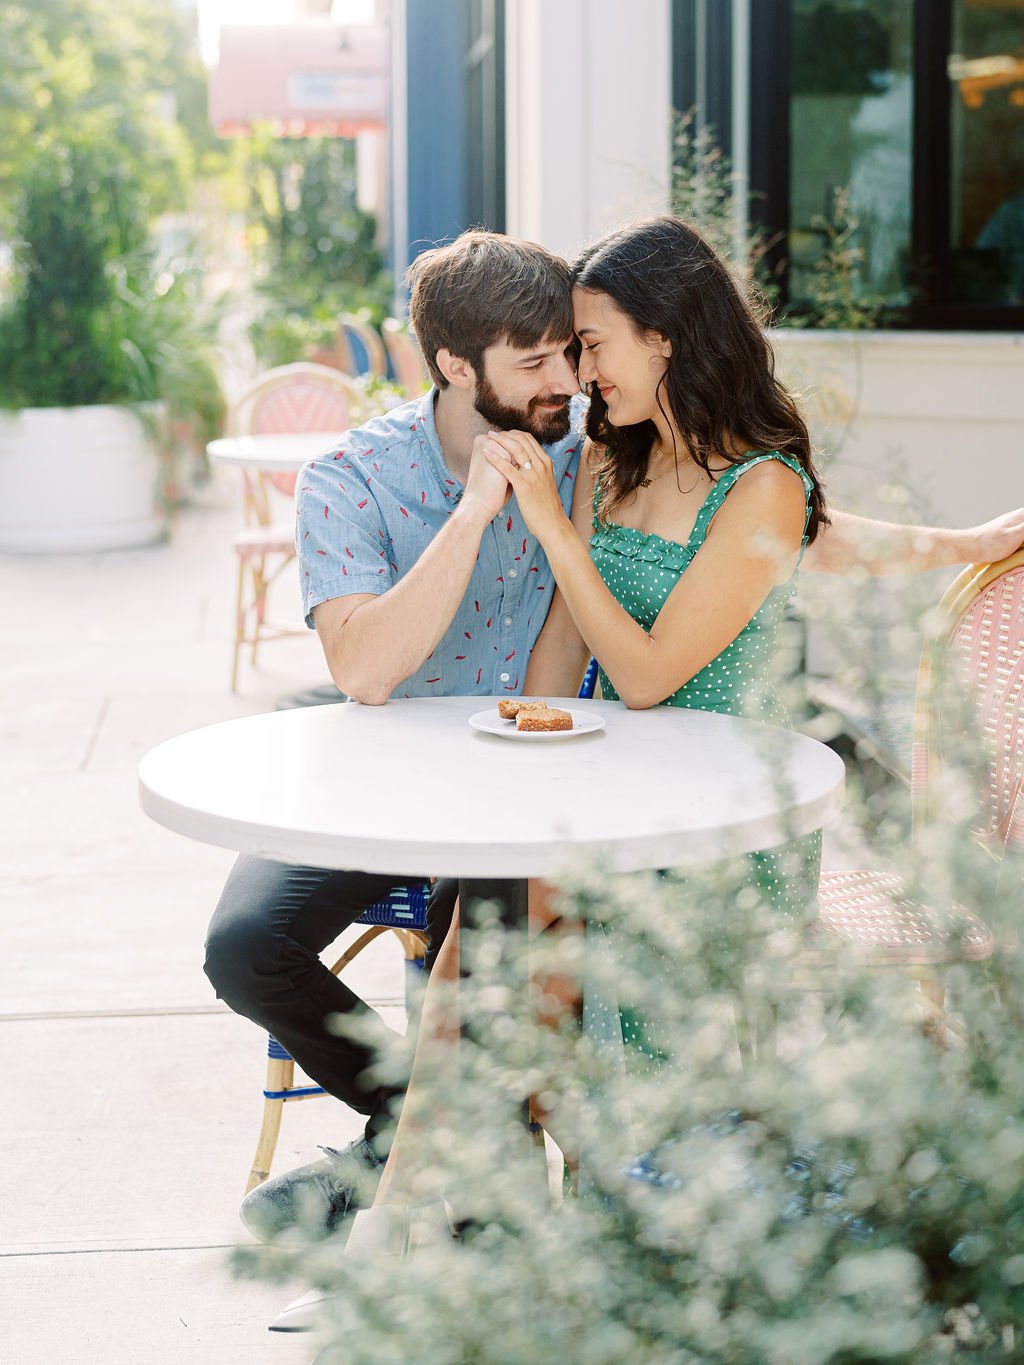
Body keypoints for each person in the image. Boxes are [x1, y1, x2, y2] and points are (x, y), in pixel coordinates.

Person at [205, 228, 1024, 1251]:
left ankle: (449, 1210)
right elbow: (522, 654)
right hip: (530, 776)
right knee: (424, 931)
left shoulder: (686, 469)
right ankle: (448, 1192)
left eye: (587, 345)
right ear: (460, 365)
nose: (577, 376)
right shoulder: (540, 462)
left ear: (665, 340)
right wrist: (516, 740)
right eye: (553, 354)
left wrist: (966, 544)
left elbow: (696, 621)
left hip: (707, 811)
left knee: (502, 935)